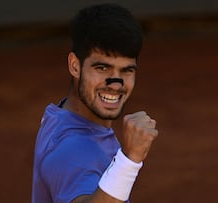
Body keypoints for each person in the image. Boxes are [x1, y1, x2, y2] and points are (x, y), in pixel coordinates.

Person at [31, 3, 158, 203]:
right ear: (75, 66)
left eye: (126, 70)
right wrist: (129, 160)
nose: (115, 84)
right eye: (102, 68)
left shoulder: (62, 115)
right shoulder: (73, 150)